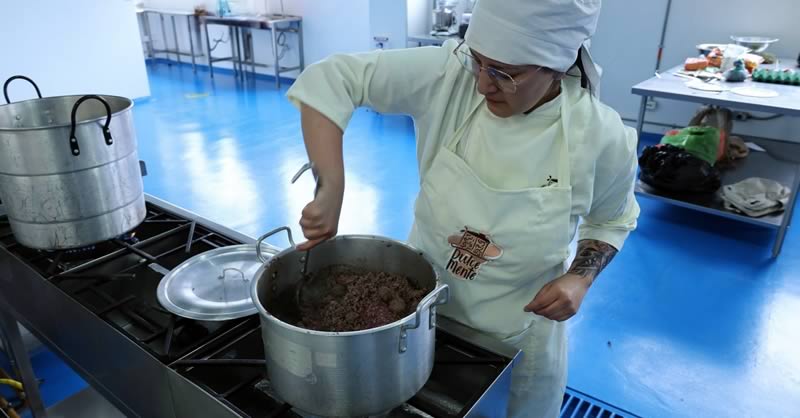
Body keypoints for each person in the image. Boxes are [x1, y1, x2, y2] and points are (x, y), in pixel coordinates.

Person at [285, 0, 640, 416]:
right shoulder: (449, 76)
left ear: (556, 66)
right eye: (478, 61)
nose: (483, 85)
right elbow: (334, 77)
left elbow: (613, 217)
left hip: (515, 340)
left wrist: (579, 279)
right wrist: (331, 186)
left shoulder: (600, 135)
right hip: (415, 317)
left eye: (506, 74)